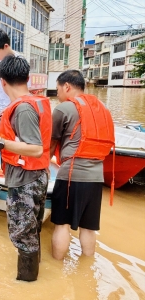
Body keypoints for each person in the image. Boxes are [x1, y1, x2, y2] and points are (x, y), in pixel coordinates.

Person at [0, 55, 51, 282]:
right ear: (27, 78)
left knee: (23, 236)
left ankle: (26, 285)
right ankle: (34, 280)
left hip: (26, 179)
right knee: (31, 231)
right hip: (36, 175)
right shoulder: (36, 102)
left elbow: (36, 148)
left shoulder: (23, 110)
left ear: (2, 82)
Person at [49, 70, 114, 260]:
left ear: (66, 86)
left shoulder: (63, 109)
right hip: (96, 178)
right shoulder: (101, 107)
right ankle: (87, 268)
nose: (58, 93)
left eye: (58, 89)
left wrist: (43, 168)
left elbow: (51, 146)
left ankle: (57, 268)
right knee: (89, 228)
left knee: (62, 224)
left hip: (71, 176)